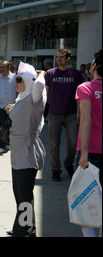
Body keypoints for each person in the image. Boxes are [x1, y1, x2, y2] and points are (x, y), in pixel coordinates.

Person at [6, 62, 46, 237]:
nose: (16, 82)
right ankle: (27, 228)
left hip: (27, 153)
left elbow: (38, 84)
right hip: (17, 153)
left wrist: (42, 73)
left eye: (20, 79)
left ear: (29, 81)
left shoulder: (34, 99)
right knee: (20, 194)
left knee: (24, 195)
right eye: (16, 79)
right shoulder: (21, 98)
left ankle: (24, 231)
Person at [45, 48, 83, 181]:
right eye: (57, 57)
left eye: (61, 57)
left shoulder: (76, 74)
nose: (58, 59)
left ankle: (68, 164)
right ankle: (56, 169)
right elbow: (46, 93)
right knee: (54, 144)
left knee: (73, 142)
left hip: (71, 113)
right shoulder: (50, 73)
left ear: (68, 59)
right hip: (54, 113)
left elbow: (80, 96)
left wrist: (79, 112)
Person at [75, 50, 102, 237]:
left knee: (85, 201)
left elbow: (85, 120)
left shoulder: (85, 88)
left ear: (93, 66)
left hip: (91, 152)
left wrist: (83, 153)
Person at [0, 60, 17, 154]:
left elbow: (19, 92)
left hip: (12, 107)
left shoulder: (15, 78)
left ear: (9, 67)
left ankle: (9, 143)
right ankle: (0, 145)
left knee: (12, 126)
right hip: (0, 106)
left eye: (3, 67)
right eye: (0, 67)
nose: (1, 69)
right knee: (0, 127)